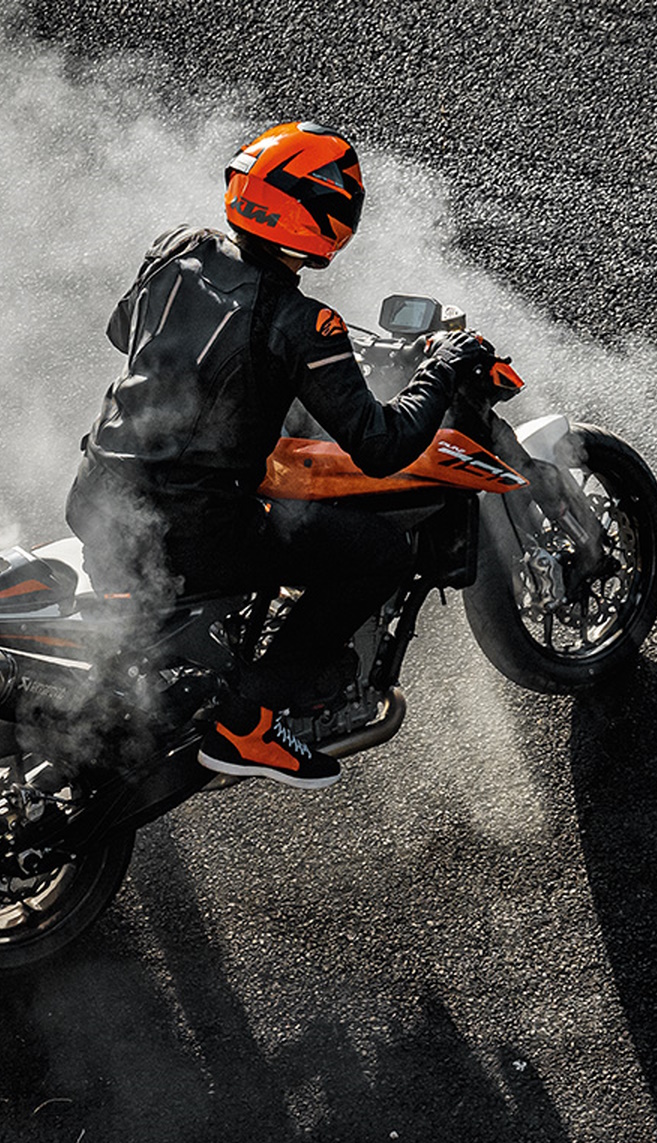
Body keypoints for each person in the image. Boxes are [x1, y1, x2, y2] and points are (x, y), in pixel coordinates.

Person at [65, 121, 493, 790]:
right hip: (193, 533)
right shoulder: (302, 324)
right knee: (379, 554)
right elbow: (381, 445)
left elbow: (125, 332)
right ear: (327, 218)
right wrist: (442, 367)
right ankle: (250, 722)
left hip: (98, 495)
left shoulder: (176, 248)